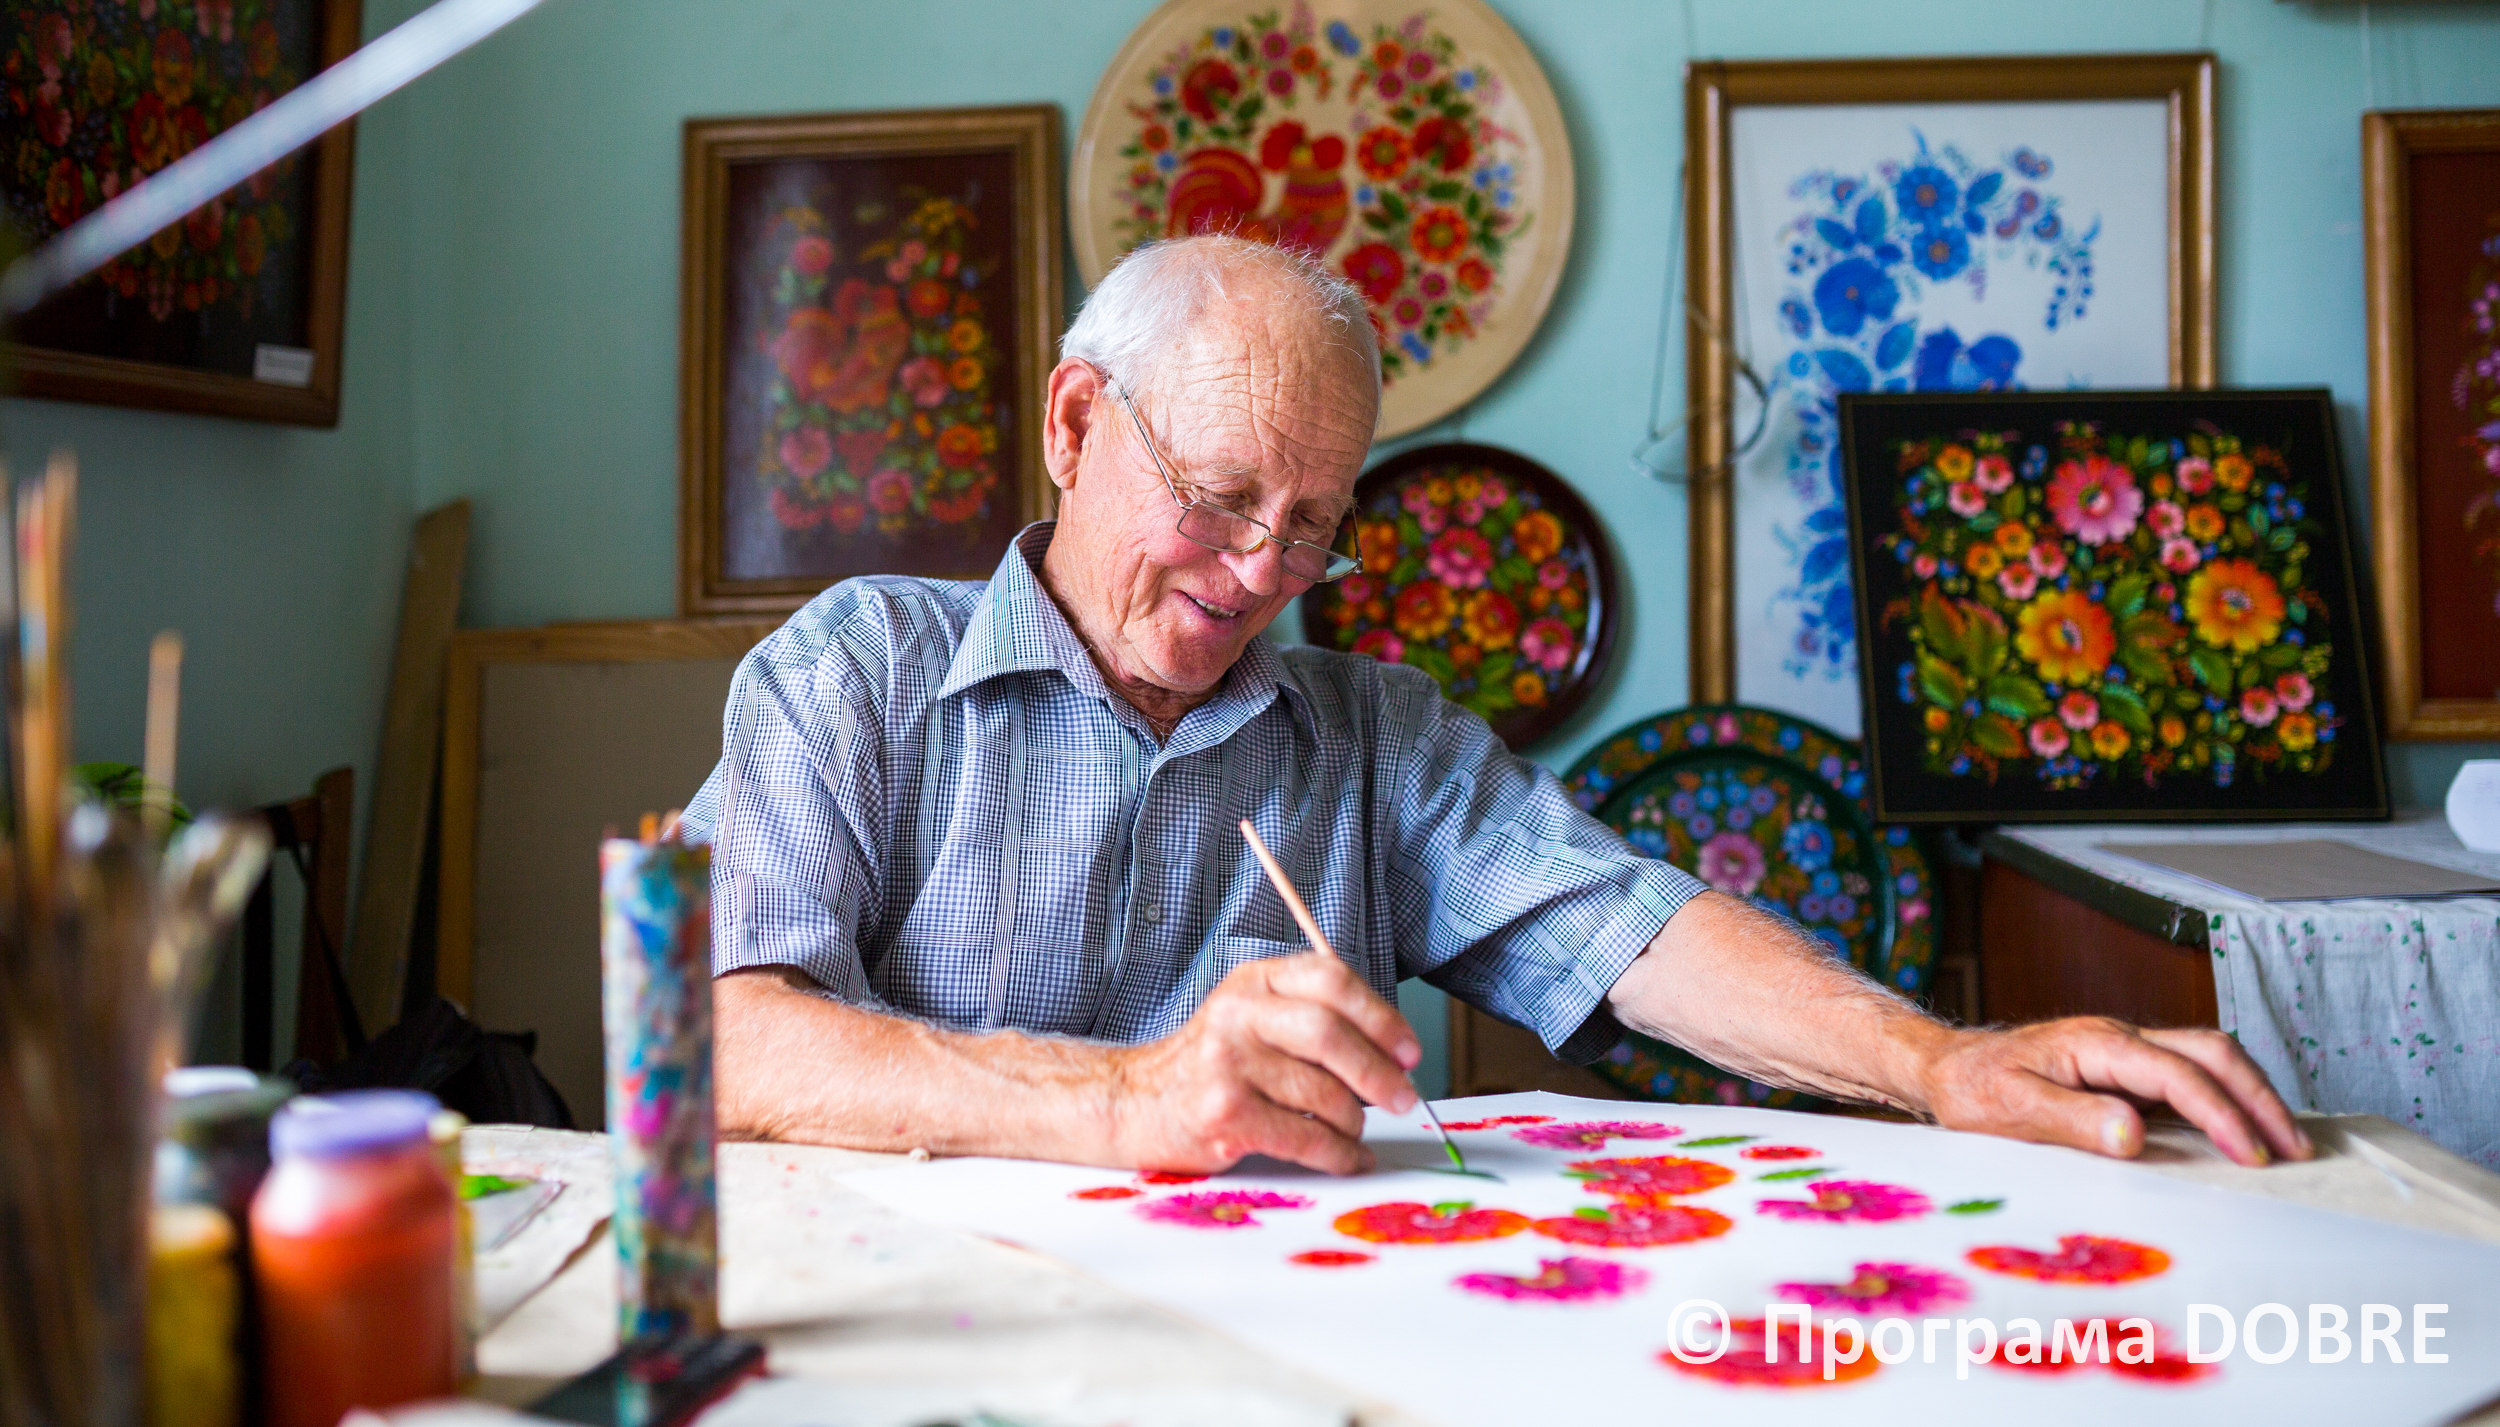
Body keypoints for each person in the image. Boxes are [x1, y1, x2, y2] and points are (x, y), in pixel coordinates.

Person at [682, 235, 2310, 1176]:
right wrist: (1127, 1099)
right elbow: (715, 1039)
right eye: (1223, 495)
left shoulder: (1371, 735)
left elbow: (1632, 928)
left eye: (1311, 526)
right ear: (1074, 422)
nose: (1258, 571)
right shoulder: (855, 675)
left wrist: (1938, 1061)